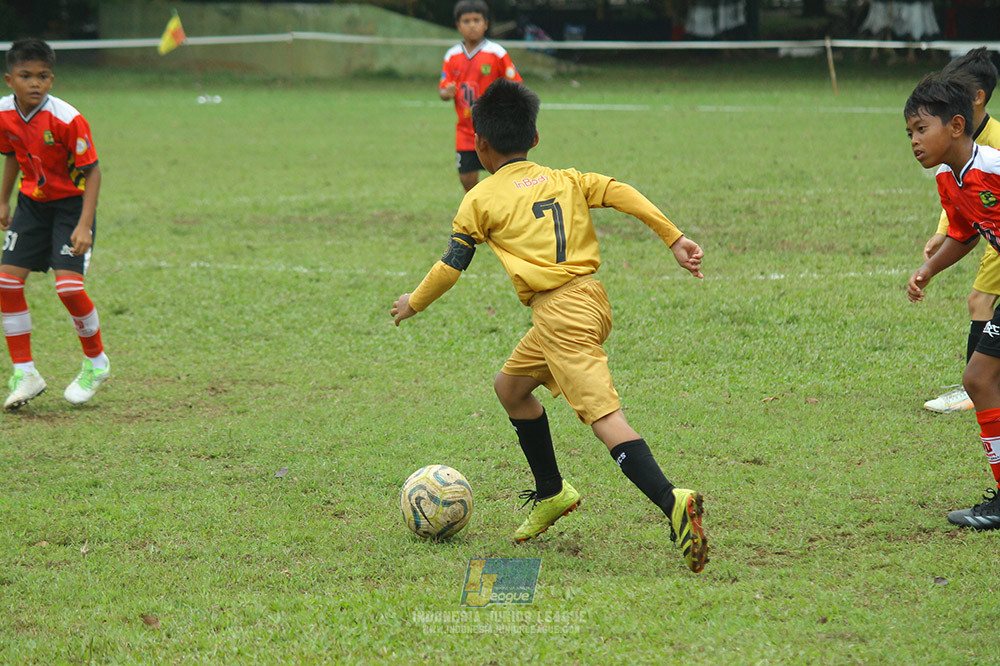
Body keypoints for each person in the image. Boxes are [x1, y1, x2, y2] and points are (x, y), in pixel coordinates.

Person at [392, 79, 709, 571]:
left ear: (479, 145)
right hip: (590, 302)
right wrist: (675, 237)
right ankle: (552, 492)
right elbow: (620, 191)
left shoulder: (478, 199)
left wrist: (414, 301)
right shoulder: (566, 177)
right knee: (511, 388)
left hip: (560, 315)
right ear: (534, 139)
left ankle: (673, 502)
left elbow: (452, 265)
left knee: (605, 418)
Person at [906, 71, 1000, 529]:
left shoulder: (995, 169)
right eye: (909, 133)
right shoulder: (948, 177)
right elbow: (964, 234)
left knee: (980, 378)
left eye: (922, 129)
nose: (914, 141)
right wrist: (928, 270)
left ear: (957, 126)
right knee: (980, 379)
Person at [0, 38, 109, 410]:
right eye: (26, 76)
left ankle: (97, 363)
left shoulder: (67, 118)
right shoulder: (3, 114)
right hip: (31, 205)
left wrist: (84, 226)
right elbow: (12, 154)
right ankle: (25, 373)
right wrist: (4, 199)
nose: (35, 83)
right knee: (6, 282)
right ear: (8, 79)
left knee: (68, 289)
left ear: (52, 79)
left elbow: (92, 173)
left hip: (71, 208)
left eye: (43, 76)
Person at [922, 48, 1000, 414]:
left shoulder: (994, 147)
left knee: (979, 301)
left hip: (993, 244)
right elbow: (962, 204)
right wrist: (943, 234)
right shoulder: (951, 155)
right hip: (989, 238)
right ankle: (980, 384)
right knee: (979, 303)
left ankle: (978, 389)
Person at [439, 0, 521, 193]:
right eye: (466, 21)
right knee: (467, 178)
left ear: (485, 24)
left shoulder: (496, 53)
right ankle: (478, 212)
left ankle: (503, 212)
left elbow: (516, 84)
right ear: (458, 25)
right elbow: (442, 91)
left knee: (502, 176)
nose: (472, 25)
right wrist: (446, 92)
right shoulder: (452, 56)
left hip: (494, 128)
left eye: (477, 20)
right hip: (466, 131)